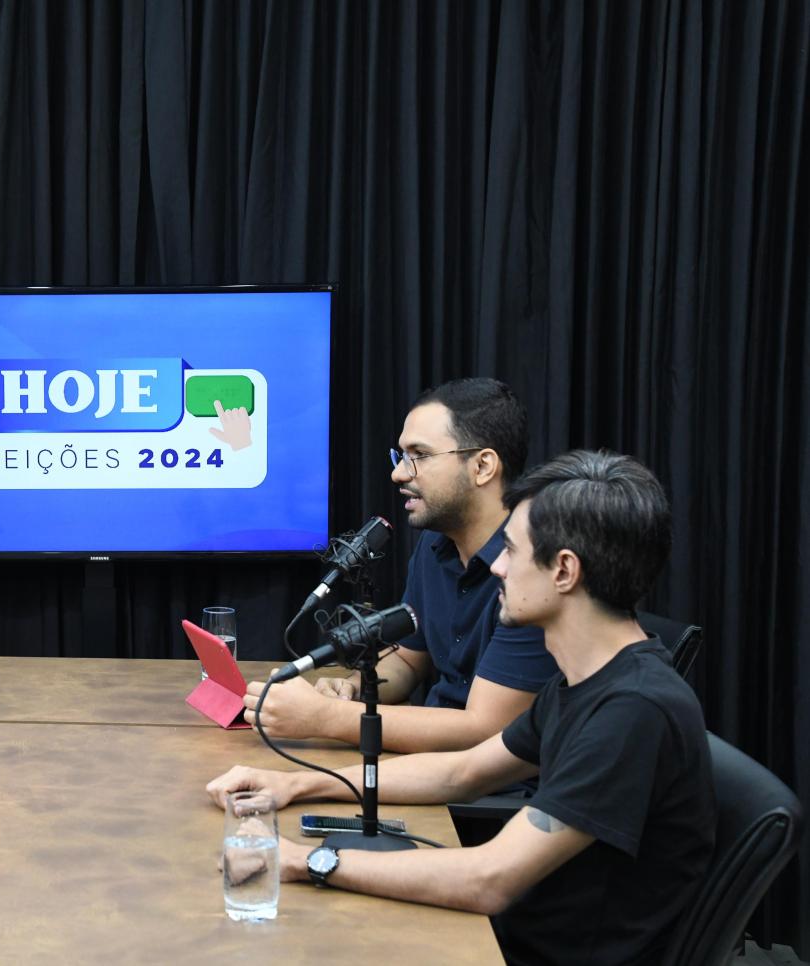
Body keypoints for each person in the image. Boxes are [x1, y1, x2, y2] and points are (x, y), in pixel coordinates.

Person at [209, 450, 713, 965]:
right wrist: (297, 783)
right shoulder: (584, 680)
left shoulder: (632, 710)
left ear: (564, 570)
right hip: (503, 934)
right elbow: (464, 772)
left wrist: (306, 860)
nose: (496, 566)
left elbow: (489, 879)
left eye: (512, 552)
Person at [244, 378, 558, 752]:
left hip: (492, 794)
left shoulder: (536, 570)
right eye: (400, 457)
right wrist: (356, 688)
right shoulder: (434, 545)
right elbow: (408, 661)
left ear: (483, 466)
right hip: (434, 765)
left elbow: (484, 729)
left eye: (419, 456)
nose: (398, 474)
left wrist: (327, 718)